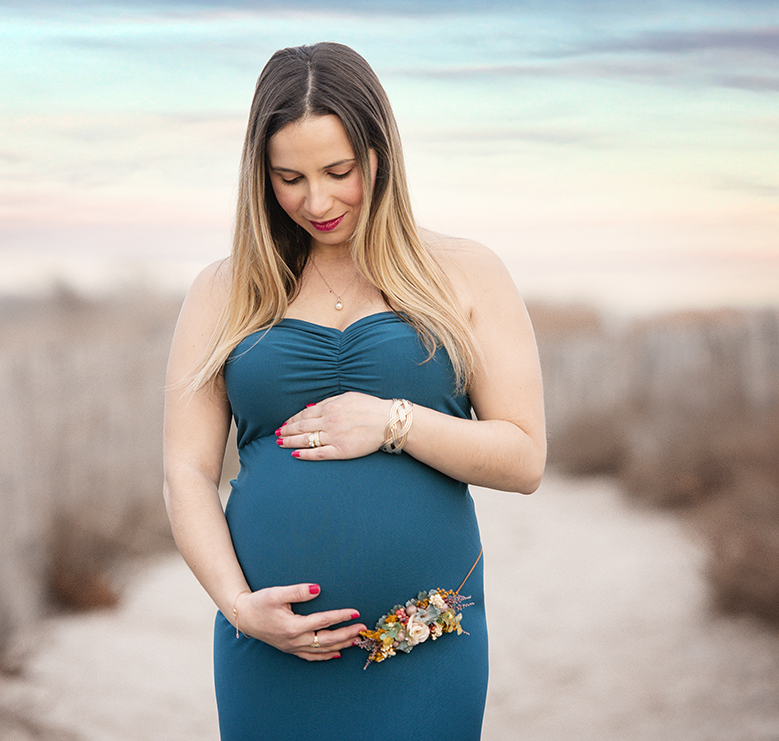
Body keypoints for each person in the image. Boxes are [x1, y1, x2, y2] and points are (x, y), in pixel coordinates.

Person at [162, 42, 545, 740]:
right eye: (288, 177)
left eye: (338, 171)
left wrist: (393, 420)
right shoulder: (221, 290)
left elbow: (523, 458)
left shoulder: (464, 271)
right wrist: (238, 606)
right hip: (268, 648)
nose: (316, 200)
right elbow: (185, 470)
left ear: (379, 153)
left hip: (426, 644)